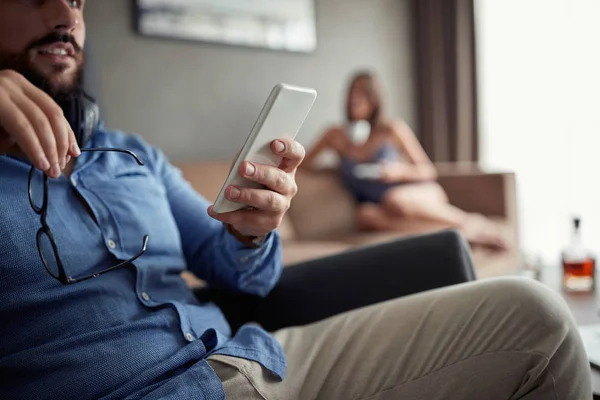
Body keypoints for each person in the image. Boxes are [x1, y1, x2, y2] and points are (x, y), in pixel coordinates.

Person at [0, 2, 591, 400]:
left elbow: (235, 266)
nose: (64, 15)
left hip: (258, 361)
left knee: (537, 317)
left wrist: (251, 231)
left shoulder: (136, 157)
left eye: (77, 0)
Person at [302, 72, 507, 250]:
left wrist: (398, 172)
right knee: (365, 215)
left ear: (374, 100)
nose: (354, 98)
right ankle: (453, 233)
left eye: (362, 93)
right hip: (380, 207)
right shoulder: (335, 136)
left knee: (396, 199)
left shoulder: (393, 129)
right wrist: (336, 167)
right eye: (351, 92)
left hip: (417, 194)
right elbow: (305, 164)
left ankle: (472, 223)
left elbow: (428, 171)